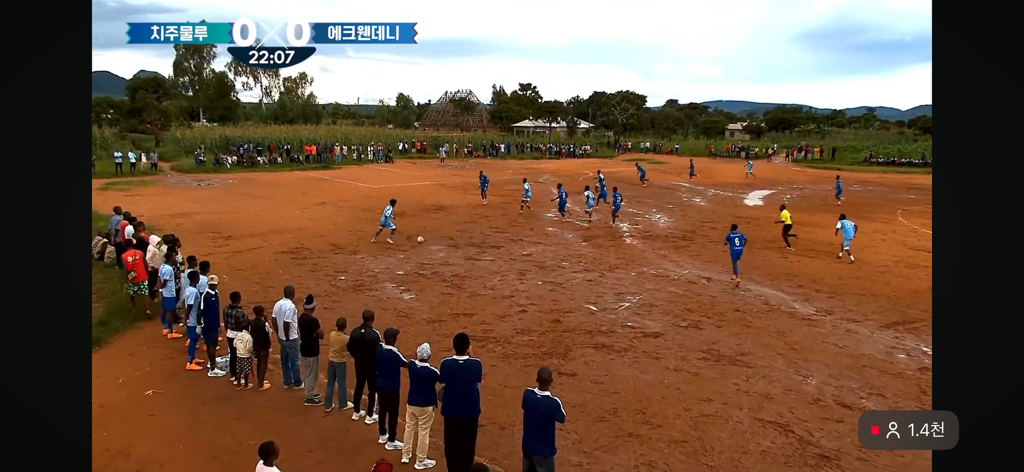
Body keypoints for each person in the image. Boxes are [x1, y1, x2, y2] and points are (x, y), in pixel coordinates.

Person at [440, 332, 483, 472]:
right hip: (470, 413)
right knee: (468, 447)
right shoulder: (476, 364)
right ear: (468, 347)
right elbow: (478, 379)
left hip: (451, 412)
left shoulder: (446, 364)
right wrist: (471, 354)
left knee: (451, 446)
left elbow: (443, 380)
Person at [522, 367, 566, 472]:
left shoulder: (527, 394)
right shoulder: (553, 403)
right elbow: (562, 418)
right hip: (544, 452)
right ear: (551, 381)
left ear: (537, 380)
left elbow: (524, 406)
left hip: (528, 447)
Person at [403, 342, 440, 469]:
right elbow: (441, 379)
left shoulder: (412, 365)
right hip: (426, 405)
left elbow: (409, 362)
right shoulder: (433, 372)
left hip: (412, 402)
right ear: (429, 356)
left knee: (409, 428)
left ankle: (405, 454)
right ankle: (420, 460)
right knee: (423, 432)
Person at [376, 327, 409, 450]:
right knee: (393, 413)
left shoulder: (379, 348)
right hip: (392, 388)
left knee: (382, 409)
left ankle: (382, 435)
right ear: (392, 339)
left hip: (380, 384)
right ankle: (391, 440)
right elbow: (406, 364)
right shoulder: (394, 353)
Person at [348, 309, 382, 423]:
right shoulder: (374, 334)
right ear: (372, 320)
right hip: (371, 366)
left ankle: (356, 412)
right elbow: (378, 351)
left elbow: (350, 348)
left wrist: (357, 358)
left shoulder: (354, 332)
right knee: (372, 389)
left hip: (359, 365)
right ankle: (370, 415)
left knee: (359, 386)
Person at [272, 286, 302, 389]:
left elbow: (274, 320)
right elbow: (286, 323)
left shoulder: (277, 304)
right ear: (293, 294)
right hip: (291, 338)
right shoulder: (291, 306)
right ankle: (297, 383)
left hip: (282, 338)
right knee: (294, 361)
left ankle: (287, 382)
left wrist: (278, 334)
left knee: (284, 361)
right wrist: (287, 337)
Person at [298, 294, 324, 405]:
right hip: (311, 350)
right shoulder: (313, 320)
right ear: (313, 307)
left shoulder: (301, 318)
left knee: (308, 372)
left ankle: (310, 392)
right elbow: (321, 335)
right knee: (311, 374)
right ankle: (309, 396)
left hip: (304, 348)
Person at [325, 317, 354, 412]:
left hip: (331, 360)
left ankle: (328, 404)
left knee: (330, 383)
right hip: (340, 362)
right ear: (345, 326)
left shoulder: (332, 334)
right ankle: (342, 404)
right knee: (341, 383)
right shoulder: (346, 339)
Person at [202, 275, 227, 377]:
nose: (213, 286)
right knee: (211, 345)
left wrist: (218, 325)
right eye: (211, 285)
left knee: (213, 344)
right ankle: (212, 368)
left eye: (214, 285)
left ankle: (211, 363)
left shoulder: (215, 294)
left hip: (213, 325)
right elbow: (201, 311)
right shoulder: (206, 296)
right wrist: (200, 324)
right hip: (208, 325)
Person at [121, 239, 151, 315]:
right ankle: (148, 310)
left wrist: (126, 278)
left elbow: (126, 269)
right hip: (142, 276)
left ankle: (134, 307)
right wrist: (147, 273)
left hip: (132, 278)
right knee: (145, 293)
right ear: (133, 244)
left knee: (132, 293)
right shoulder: (140, 253)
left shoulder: (123, 256)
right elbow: (146, 264)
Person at [224, 291, 248, 384]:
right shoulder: (240, 313)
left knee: (233, 354)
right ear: (239, 299)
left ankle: (233, 375)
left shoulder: (226, 310)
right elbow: (242, 325)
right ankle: (239, 377)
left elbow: (226, 323)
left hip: (229, 334)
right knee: (240, 356)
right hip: (238, 335)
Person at [158, 252, 183, 338]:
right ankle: (170, 332)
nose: (174, 259)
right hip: (170, 293)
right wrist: (161, 287)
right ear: (170, 258)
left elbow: (159, 278)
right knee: (170, 311)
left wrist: (160, 289)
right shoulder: (169, 269)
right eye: (173, 257)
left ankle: (165, 328)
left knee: (164, 310)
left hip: (165, 292)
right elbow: (164, 282)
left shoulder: (162, 266)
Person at [183, 270, 204, 371]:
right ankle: (190, 362)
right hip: (193, 320)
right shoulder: (194, 291)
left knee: (194, 339)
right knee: (193, 340)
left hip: (191, 319)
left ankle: (193, 358)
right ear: (196, 278)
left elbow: (184, 302)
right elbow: (190, 306)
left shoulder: (188, 289)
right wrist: (186, 317)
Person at [250, 305, 273, 391]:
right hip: (264, 347)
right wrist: (266, 320)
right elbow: (270, 332)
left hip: (256, 346)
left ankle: (260, 381)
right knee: (263, 364)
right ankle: (261, 383)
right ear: (262, 313)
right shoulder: (264, 324)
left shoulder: (251, 323)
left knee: (259, 363)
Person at [234, 319, 254, 390]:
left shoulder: (238, 335)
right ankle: (246, 384)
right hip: (247, 356)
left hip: (239, 355)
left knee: (239, 370)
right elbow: (249, 348)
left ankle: (239, 384)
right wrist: (251, 353)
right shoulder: (249, 337)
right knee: (246, 371)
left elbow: (234, 344)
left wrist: (239, 350)